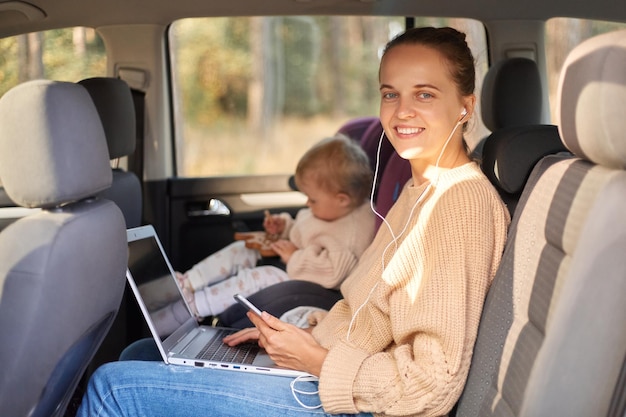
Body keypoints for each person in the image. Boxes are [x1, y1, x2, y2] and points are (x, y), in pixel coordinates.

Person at [77, 26, 510, 417]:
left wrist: (316, 360)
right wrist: (301, 337)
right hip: (336, 371)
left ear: (465, 107)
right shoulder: (419, 191)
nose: (401, 112)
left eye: (425, 94)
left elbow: (431, 384)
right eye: (390, 93)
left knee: (112, 387)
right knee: (142, 352)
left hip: (353, 403)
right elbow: (371, 318)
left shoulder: (460, 205)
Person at [151, 134, 376, 335]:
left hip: (320, 284)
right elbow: (308, 228)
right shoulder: (331, 208)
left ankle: (195, 306)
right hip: (300, 264)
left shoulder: (352, 231)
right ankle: (188, 282)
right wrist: (284, 227)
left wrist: (294, 257)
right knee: (243, 249)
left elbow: (333, 271)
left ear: (342, 199)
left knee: (262, 276)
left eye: (312, 199)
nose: (307, 203)